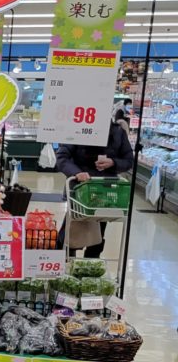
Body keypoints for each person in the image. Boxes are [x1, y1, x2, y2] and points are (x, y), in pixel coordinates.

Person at [55, 110, 134, 257]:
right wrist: (77, 173)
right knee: (72, 228)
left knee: (98, 232)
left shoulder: (118, 132)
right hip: (80, 190)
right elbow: (62, 157)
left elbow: (129, 160)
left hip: (105, 191)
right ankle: (66, 259)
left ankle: (91, 263)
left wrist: (113, 162)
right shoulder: (78, 129)